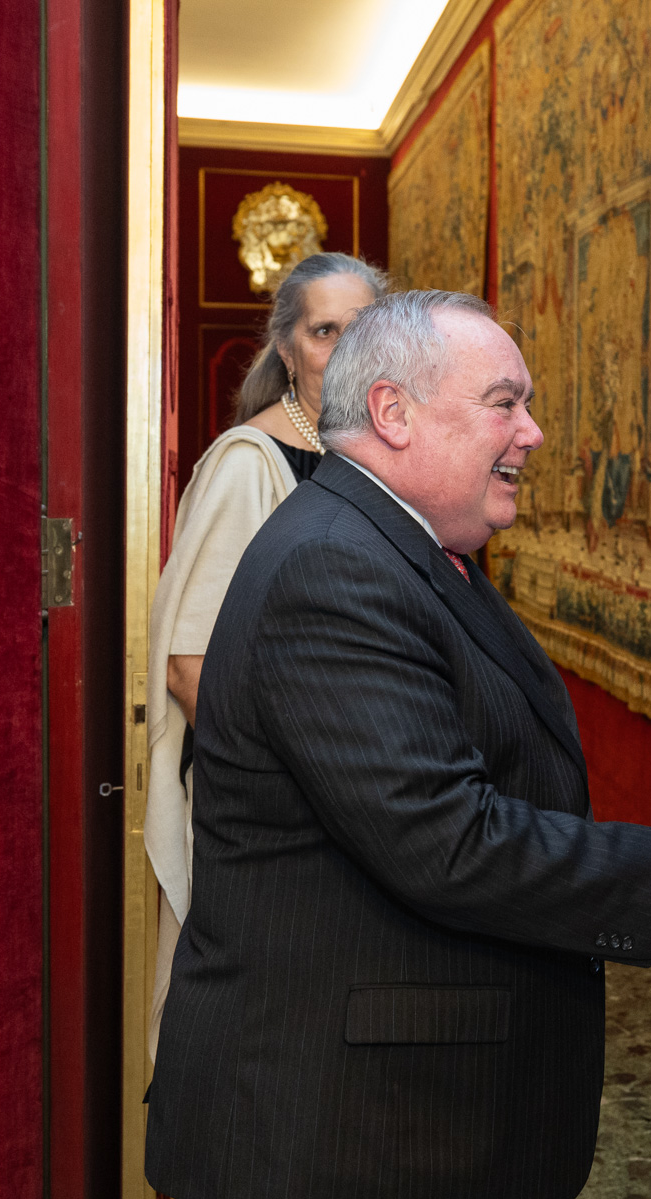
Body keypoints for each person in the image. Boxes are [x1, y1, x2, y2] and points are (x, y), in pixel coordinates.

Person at [143, 289, 651, 1199]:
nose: (535, 433)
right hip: (333, 1133)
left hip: (397, 1118)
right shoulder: (335, 566)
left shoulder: (410, 548)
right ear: (393, 412)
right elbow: (443, 837)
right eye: (505, 402)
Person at [143, 251, 387, 1059]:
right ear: (288, 350)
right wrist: (306, 789)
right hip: (281, 829)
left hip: (359, 817)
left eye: (365, 330)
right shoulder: (251, 465)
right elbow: (191, 670)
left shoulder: (377, 469)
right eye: (326, 331)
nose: (348, 349)